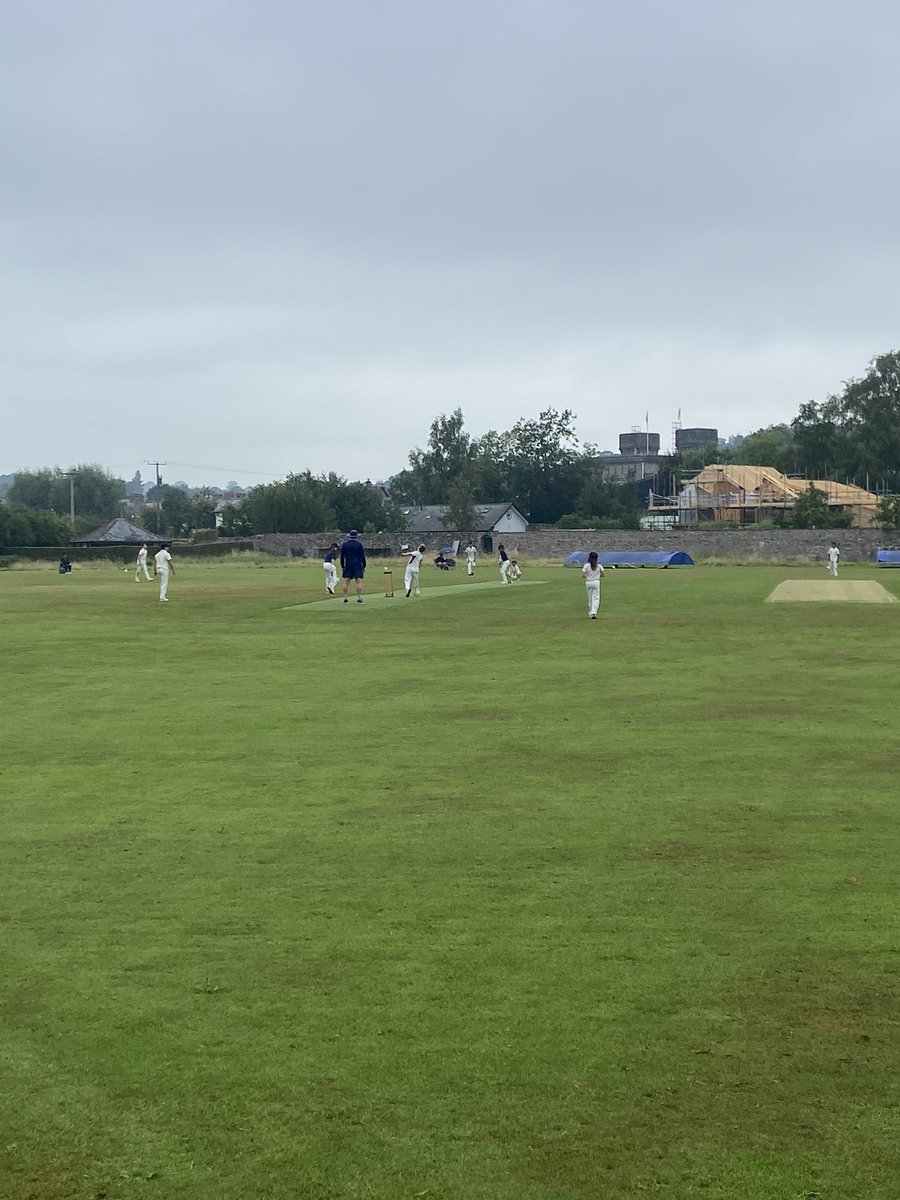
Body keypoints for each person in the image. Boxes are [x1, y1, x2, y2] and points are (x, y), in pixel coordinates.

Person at [340, 529, 366, 603]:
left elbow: (342, 557)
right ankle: (359, 597)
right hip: (357, 564)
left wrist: (342, 566)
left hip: (348, 564)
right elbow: (362, 556)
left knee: (346, 581)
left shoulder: (345, 545)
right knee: (358, 581)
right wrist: (364, 565)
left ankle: (345, 597)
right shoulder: (359, 545)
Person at [582, 551, 604, 619]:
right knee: (596, 598)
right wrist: (597, 575)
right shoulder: (599, 566)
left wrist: (589, 576)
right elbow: (603, 575)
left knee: (590, 598)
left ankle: (590, 612)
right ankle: (593, 612)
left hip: (588, 582)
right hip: (596, 582)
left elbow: (583, 575)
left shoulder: (586, 565)